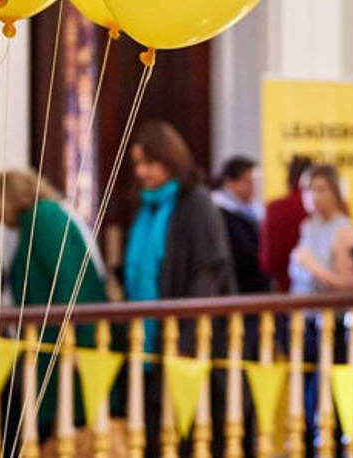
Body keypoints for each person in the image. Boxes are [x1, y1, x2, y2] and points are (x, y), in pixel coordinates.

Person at [123, 121, 235, 458]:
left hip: (187, 341)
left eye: (148, 163)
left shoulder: (195, 203)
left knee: (188, 434)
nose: (141, 172)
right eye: (138, 164)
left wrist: (187, 339)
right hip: (149, 340)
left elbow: (209, 273)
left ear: (170, 159)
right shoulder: (146, 207)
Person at [0, 169, 108, 440]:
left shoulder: (44, 218)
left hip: (68, 339)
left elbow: (67, 278)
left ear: (10, 196)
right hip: (54, 339)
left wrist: (72, 338)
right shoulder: (33, 221)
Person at [288, 164, 353, 457]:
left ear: (335, 192)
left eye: (320, 189)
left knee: (323, 397)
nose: (313, 196)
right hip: (304, 322)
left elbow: (349, 285)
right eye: (308, 189)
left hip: (333, 325)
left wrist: (313, 268)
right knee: (303, 394)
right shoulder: (307, 227)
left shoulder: (344, 231)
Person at [211, 155, 269, 295]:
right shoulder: (219, 212)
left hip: (258, 286)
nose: (253, 187)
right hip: (237, 286)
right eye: (247, 182)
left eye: (254, 182)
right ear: (229, 183)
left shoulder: (255, 210)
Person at [260, 155, 313, 292]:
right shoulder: (333, 209)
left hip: (285, 290)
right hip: (325, 294)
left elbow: (269, 262)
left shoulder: (276, 208)